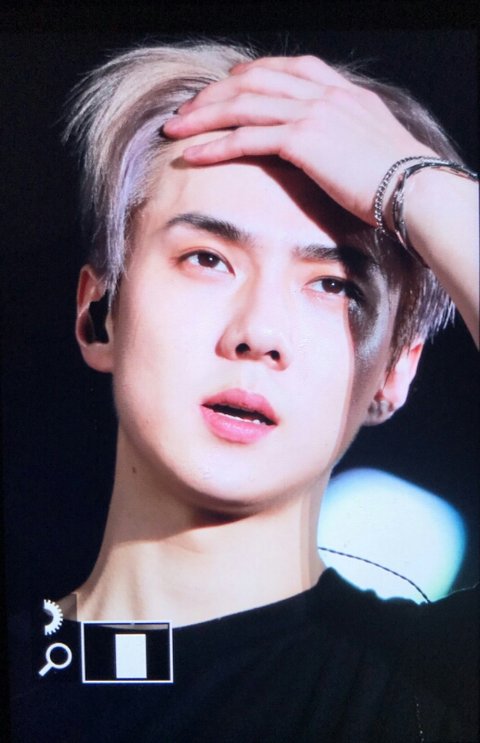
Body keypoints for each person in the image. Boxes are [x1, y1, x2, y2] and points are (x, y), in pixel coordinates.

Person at [9, 40, 478, 742]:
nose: (259, 332)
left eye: (333, 285)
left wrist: (415, 183)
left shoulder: (438, 685)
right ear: (99, 313)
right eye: (207, 258)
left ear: (395, 371)